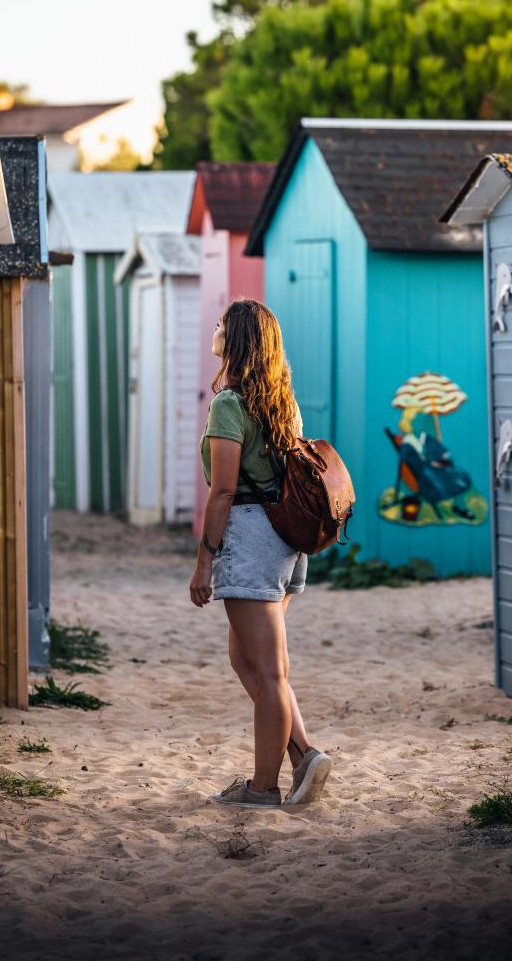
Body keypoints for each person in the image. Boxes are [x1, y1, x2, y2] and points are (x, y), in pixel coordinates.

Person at [190, 298, 332, 809]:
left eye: (222, 325)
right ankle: (302, 757)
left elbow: (223, 490)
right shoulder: (281, 400)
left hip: (250, 538)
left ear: (239, 339)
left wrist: (204, 560)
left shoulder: (231, 405)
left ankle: (263, 788)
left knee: (269, 671)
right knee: (247, 659)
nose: (215, 328)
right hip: (286, 542)